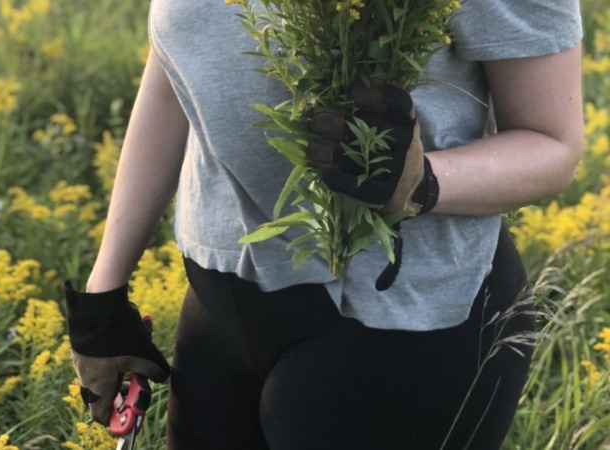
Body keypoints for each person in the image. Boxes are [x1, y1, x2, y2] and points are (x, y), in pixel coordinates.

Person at [63, 0, 584, 449]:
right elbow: (174, 66)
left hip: (404, 324)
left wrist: (422, 181)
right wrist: (104, 294)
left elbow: (551, 144)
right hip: (222, 305)